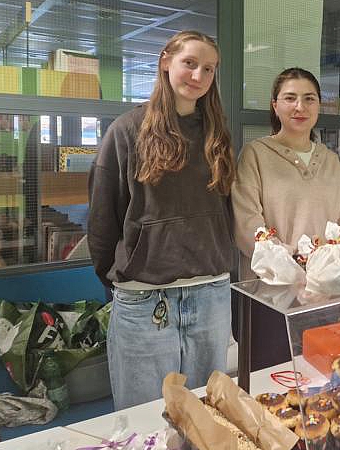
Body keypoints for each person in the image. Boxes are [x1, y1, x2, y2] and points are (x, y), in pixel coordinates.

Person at [88, 30, 236, 410]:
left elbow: (225, 211)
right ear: (166, 61)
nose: (199, 76)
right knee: (145, 420)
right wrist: (124, 275)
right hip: (144, 299)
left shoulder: (217, 135)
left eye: (209, 69)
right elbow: (103, 220)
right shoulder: (125, 131)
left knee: (207, 417)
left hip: (211, 295)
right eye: (190, 63)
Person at [231, 68, 340, 369]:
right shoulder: (256, 155)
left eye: (309, 99)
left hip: (323, 293)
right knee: (270, 381)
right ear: (275, 105)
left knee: (320, 377)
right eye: (290, 98)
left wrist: (333, 261)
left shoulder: (331, 161)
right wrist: (294, 265)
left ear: (319, 106)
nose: (300, 107)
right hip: (270, 297)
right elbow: (247, 224)